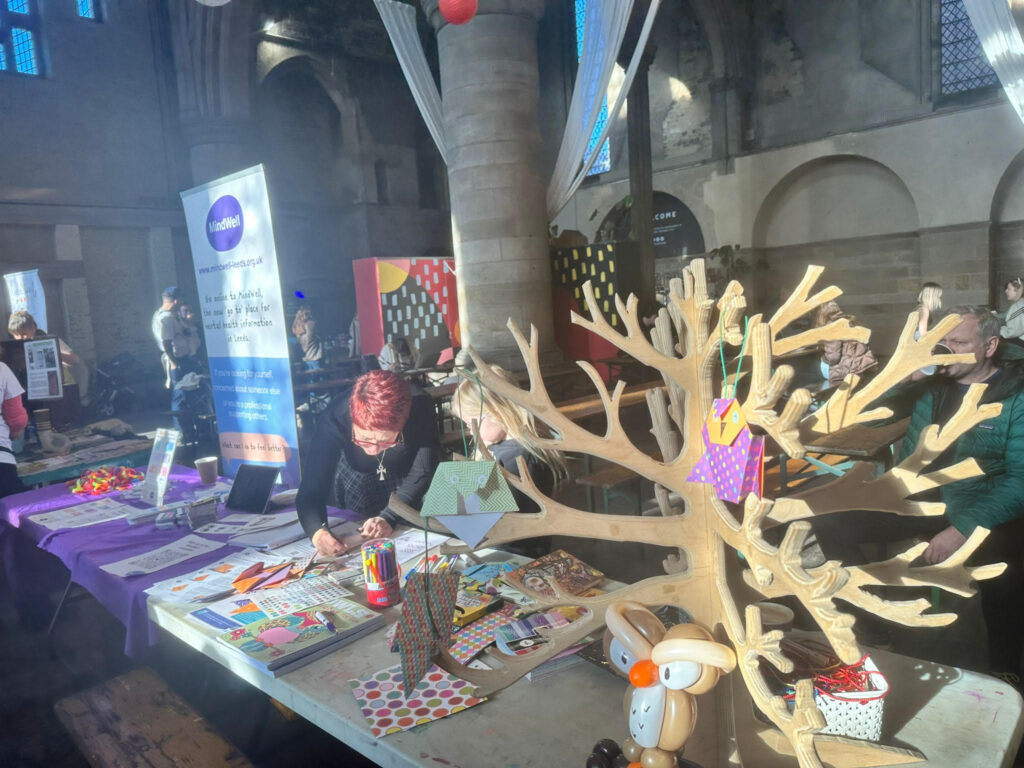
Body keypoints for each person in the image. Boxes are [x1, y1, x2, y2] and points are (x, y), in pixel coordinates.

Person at [811, 306, 1024, 678]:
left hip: (979, 502)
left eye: (958, 342)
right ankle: (876, 627)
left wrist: (959, 532)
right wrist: (909, 374)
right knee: (829, 523)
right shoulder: (933, 381)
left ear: (990, 346)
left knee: (1007, 573)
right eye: (942, 342)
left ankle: (1007, 672)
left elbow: (1020, 481)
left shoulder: (1015, 394)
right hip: (915, 496)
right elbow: (868, 408)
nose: (947, 350)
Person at [296, 370, 441, 555]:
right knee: (365, 541)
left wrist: (388, 517)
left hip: (410, 476)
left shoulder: (419, 404)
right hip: (360, 476)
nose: (373, 450)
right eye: (364, 439)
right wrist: (317, 532)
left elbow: (423, 470)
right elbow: (311, 488)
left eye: (386, 441)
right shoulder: (334, 417)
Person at [450, 365, 568, 511]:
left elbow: (510, 514)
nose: (469, 430)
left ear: (497, 412)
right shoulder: (500, 447)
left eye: (470, 422)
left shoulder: (520, 459)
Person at [8, 310, 89, 405]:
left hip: (57, 390)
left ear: (33, 328)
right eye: (17, 335)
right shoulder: (14, 349)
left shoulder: (49, 340)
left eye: (24, 333)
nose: (21, 338)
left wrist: (52, 351)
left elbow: (75, 360)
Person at [151, 287, 199, 440]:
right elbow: (166, 343)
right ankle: (182, 433)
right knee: (180, 397)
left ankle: (189, 430)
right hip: (178, 361)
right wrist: (174, 363)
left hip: (181, 359)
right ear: (177, 300)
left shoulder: (161, 314)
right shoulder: (167, 318)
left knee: (186, 395)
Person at [814, 301, 877, 386]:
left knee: (813, 369)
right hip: (861, 364)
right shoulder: (849, 320)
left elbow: (834, 356)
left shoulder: (831, 327)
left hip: (846, 368)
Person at [291, 305, 323, 371]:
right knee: (319, 378)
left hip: (305, 359)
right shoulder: (311, 324)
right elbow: (320, 335)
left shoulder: (297, 326)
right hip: (315, 357)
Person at [1000, 276, 1024, 342]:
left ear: (1017, 291)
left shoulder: (1019, 306)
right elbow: (1005, 314)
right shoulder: (1020, 303)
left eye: (1009, 289)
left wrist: (997, 328)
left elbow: (1012, 332)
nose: (1006, 291)